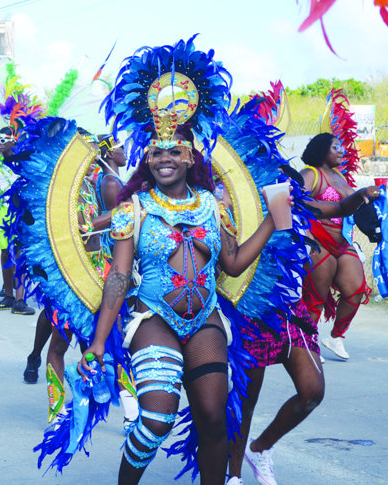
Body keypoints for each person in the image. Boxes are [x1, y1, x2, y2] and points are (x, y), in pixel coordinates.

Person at [80, 124, 281, 485]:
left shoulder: (214, 207)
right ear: (147, 159)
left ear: (190, 157)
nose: (165, 159)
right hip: (154, 319)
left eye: (174, 151)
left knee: (213, 418)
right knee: (156, 421)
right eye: (156, 152)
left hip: (205, 320)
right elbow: (119, 277)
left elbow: (233, 265)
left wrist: (271, 221)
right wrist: (98, 342)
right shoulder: (132, 209)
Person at [227, 159, 380, 485]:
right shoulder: (240, 205)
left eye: (286, 181)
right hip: (254, 312)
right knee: (246, 401)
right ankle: (233, 475)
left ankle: (260, 448)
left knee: (312, 391)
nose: (282, 184)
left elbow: (338, 208)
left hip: (291, 314)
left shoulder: (294, 202)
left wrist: (361, 195)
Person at [300, 133, 373, 360]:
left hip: (342, 243)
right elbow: (297, 203)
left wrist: (367, 197)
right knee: (316, 298)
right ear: (322, 150)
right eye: (335, 146)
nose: (341, 150)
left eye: (341, 146)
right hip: (318, 240)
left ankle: (336, 337)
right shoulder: (310, 174)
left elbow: (352, 206)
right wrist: (307, 239)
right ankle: (308, 341)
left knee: (356, 289)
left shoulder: (339, 177)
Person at [0, 126, 35, 315]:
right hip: (2, 213)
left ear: (13, 141)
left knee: (20, 253)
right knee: (5, 253)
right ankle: (8, 297)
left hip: (21, 212)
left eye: (3, 140)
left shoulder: (24, 163)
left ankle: (19, 300)